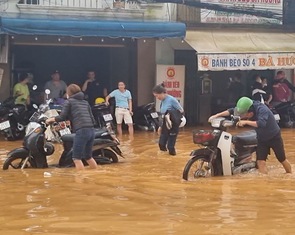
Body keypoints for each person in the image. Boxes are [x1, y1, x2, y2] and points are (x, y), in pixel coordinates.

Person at [208, 96, 292, 174]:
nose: (241, 116)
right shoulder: (246, 107)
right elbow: (231, 111)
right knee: (260, 162)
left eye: (243, 115)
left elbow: (261, 124)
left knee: (282, 159)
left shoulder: (262, 110)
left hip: (274, 136)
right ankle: (265, 183)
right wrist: (216, 115)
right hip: (262, 138)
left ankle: (289, 174)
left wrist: (245, 122)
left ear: (250, 113)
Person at [45, 84, 97, 170]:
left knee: (76, 158)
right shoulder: (85, 102)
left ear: (69, 93)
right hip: (91, 130)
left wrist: (50, 120)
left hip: (82, 131)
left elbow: (61, 117)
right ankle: (94, 175)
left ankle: (81, 181)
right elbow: (92, 119)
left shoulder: (69, 102)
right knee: (88, 157)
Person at [152, 84, 184, 156]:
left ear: (163, 93)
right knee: (161, 144)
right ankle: (164, 161)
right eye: (155, 96)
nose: (157, 98)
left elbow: (181, 111)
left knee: (170, 147)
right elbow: (162, 115)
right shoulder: (162, 101)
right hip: (165, 124)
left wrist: (172, 115)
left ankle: (172, 158)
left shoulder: (172, 100)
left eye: (157, 96)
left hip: (173, 124)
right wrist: (160, 126)